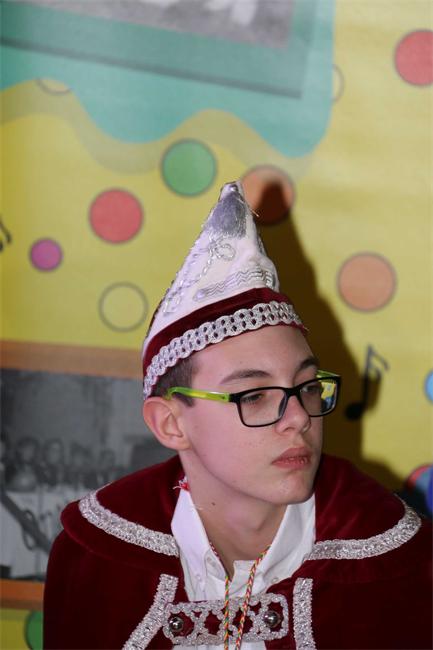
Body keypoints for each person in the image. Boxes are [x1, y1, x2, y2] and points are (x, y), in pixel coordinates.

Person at [44, 181, 432, 649]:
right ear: (171, 423)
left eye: (308, 387)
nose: (299, 419)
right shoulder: (95, 556)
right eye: (254, 395)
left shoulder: (398, 565)